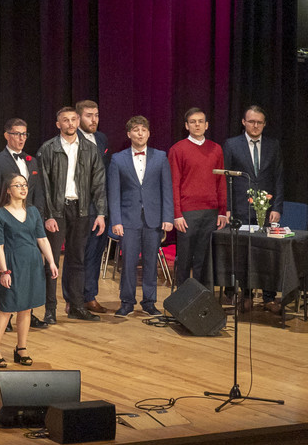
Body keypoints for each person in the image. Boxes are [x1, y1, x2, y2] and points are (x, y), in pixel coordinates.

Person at [36, 106, 108, 321]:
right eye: (65, 120)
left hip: (81, 209)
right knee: (52, 261)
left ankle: (76, 306)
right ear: (58, 124)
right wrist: (47, 215)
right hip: (57, 211)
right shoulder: (48, 148)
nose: (70, 124)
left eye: (73, 119)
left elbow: (99, 182)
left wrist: (101, 213)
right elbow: (43, 186)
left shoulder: (89, 148)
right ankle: (50, 310)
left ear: (78, 122)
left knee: (78, 260)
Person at [0, 119, 50, 329]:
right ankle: (7, 312)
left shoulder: (32, 161)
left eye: (24, 134)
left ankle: (27, 310)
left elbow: (38, 193)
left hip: (29, 220)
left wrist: (38, 217)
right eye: (17, 134)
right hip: (8, 222)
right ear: (7, 135)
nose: (21, 138)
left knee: (29, 269)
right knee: (9, 268)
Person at [0, 174, 59, 367]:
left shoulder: (33, 211)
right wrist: (4, 271)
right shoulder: (0, 215)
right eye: (18, 185)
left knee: (26, 307)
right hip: (12, 264)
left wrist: (51, 262)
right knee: (6, 308)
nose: (23, 188)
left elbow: (42, 239)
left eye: (25, 185)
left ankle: (21, 348)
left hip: (32, 263)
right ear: (8, 190)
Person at [105, 117, 174, 315]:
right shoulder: (118, 159)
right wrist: (116, 220)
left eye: (144, 129)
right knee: (128, 262)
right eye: (136, 130)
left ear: (149, 133)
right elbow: (114, 193)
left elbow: (166, 189)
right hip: (128, 219)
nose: (140, 133)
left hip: (153, 218)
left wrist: (168, 217)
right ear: (129, 134)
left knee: (151, 261)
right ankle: (127, 302)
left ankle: (149, 302)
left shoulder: (160, 157)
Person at [223, 105, 285, 309]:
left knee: (268, 254)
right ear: (244, 122)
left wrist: (276, 207)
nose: (255, 125)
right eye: (251, 121)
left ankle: (268, 298)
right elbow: (226, 179)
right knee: (244, 254)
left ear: (264, 124)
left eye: (259, 122)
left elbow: (278, 178)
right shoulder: (232, 145)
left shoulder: (273, 145)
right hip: (240, 208)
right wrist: (228, 207)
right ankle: (247, 295)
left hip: (266, 211)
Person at [169, 107, 229, 294]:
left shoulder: (216, 149)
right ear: (187, 126)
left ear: (207, 125)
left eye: (201, 121)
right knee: (185, 258)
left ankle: (203, 299)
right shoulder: (178, 149)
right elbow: (174, 183)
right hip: (187, 213)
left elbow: (221, 181)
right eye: (193, 122)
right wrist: (177, 214)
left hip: (210, 211)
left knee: (204, 259)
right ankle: (183, 299)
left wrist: (222, 211)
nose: (197, 125)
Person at [76, 100, 115, 313]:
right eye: (89, 115)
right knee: (78, 256)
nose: (94, 120)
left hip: (100, 207)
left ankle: (89, 296)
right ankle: (74, 299)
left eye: (96, 115)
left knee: (95, 253)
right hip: (81, 207)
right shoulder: (72, 139)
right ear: (78, 117)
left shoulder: (101, 138)